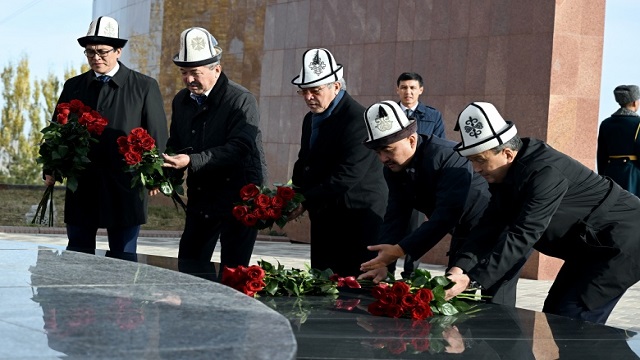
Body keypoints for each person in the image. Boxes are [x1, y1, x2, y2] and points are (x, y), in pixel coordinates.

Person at [444, 101, 640, 324]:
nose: (476, 169)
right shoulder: (505, 174)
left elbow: (524, 233)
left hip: (621, 242)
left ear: (507, 153)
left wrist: (473, 280)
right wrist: (459, 269)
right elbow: (489, 225)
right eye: (471, 161)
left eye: (480, 160)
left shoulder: (544, 170)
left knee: (574, 320)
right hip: (589, 248)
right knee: (555, 313)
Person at [358, 100, 521, 305]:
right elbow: (395, 215)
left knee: (497, 304)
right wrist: (382, 263)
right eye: (378, 152)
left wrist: (400, 250)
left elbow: (446, 215)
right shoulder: (393, 169)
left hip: (498, 234)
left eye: (388, 150)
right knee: (454, 297)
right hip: (463, 234)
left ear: (411, 139)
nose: (383, 158)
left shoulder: (448, 156)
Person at [44, 16, 168, 253]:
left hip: (125, 186)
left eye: (102, 52)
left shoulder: (144, 86)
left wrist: (157, 175)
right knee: (78, 254)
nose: (95, 57)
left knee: (123, 257)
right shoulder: (74, 86)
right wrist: (51, 168)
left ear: (118, 51)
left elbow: (157, 134)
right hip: (83, 184)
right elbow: (57, 129)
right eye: (89, 52)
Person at [161, 27, 266, 268]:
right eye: (184, 72)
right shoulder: (181, 100)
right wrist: (166, 174)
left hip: (240, 197)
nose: (189, 79)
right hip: (202, 195)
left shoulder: (240, 99)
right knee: (189, 265)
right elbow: (177, 142)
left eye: (195, 73)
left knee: (234, 272)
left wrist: (191, 161)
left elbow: (240, 147)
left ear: (216, 69)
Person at [286, 48, 388, 277]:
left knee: (353, 287)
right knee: (323, 282)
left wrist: (304, 200)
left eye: (315, 90)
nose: (308, 97)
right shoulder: (311, 118)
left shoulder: (358, 119)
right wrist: (292, 194)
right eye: (303, 91)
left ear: (336, 86)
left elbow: (347, 175)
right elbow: (305, 160)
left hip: (356, 218)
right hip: (325, 214)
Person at [395, 71, 447, 278]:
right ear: (397, 89)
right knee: (391, 225)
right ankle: (385, 269)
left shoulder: (432, 116)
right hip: (393, 180)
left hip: (420, 182)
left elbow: (440, 150)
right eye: (404, 87)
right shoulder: (387, 114)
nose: (408, 92)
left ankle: (410, 274)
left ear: (420, 90)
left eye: (412, 88)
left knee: (417, 230)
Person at [597, 84, 640, 196]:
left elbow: (601, 155)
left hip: (611, 174)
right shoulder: (638, 124)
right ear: (635, 102)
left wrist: (602, 177)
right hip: (633, 176)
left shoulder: (606, 123)